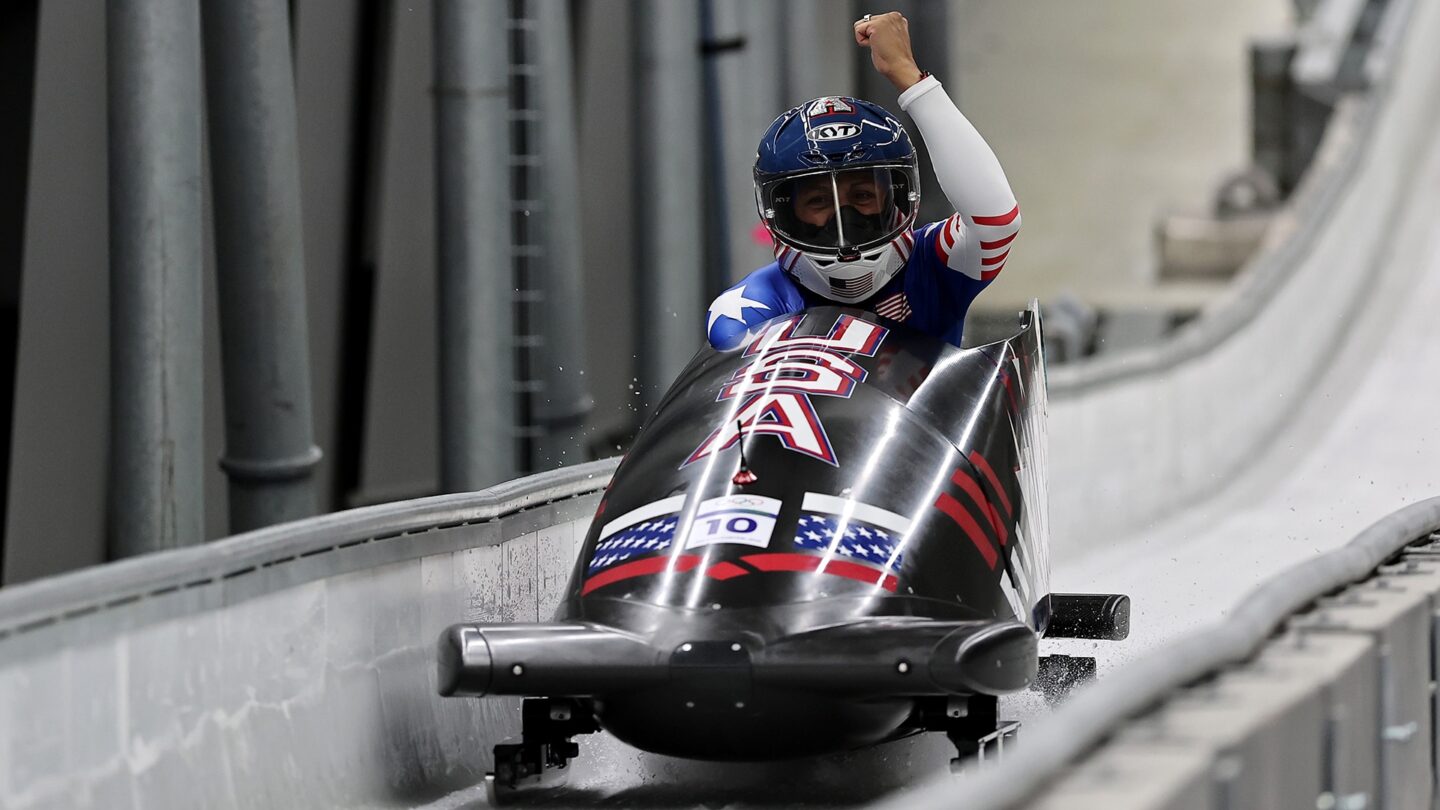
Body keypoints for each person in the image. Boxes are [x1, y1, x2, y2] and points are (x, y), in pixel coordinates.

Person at [706, 11, 1020, 350]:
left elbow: (995, 221)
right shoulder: (746, 309)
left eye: (862, 194)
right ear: (782, 212)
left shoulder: (933, 264)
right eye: (818, 201)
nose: (845, 218)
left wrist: (912, 81)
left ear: (897, 197)